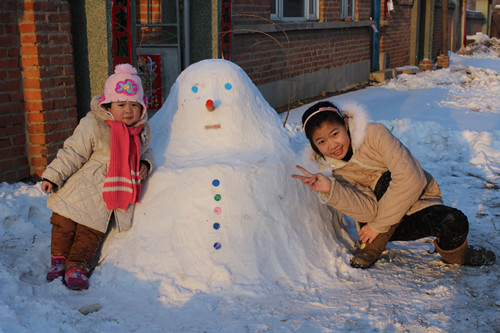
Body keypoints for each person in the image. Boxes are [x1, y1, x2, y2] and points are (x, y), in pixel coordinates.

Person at [292, 101, 495, 269]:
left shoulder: (375, 134)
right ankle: (373, 246)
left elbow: (411, 178)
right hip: (378, 227)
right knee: (385, 180)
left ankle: (459, 257)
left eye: (334, 134)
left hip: (412, 205)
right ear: (314, 146)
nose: (332, 145)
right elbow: (368, 211)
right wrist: (331, 189)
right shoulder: (335, 172)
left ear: (345, 124)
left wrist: (377, 227)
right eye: (321, 142)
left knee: (455, 220)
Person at [41, 64, 154, 289]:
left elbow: (146, 152)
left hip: (104, 199)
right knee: (63, 223)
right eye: (121, 105)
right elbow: (73, 151)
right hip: (79, 188)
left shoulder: (142, 132)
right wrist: (53, 176)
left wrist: (144, 163)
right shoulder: (93, 124)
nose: (128, 110)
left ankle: (77, 268)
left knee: (89, 234)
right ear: (108, 105)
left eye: (134, 105)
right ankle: (58, 261)